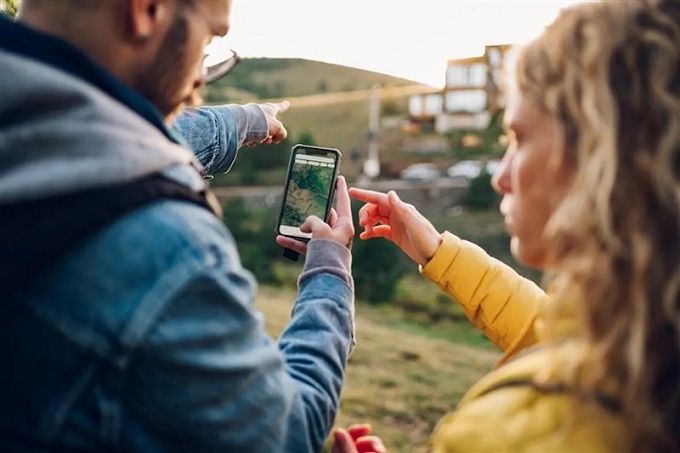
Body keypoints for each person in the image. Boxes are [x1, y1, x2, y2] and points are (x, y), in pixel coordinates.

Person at [0, 1, 357, 452]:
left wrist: (240, 121)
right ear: (146, 10)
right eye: (208, 41)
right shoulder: (169, 254)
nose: (201, 80)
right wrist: (329, 270)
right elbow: (287, 433)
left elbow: (101, 135)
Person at [327, 1, 680, 451]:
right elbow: (549, 330)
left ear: (600, 158)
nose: (501, 175)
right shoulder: (646, 336)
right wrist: (435, 251)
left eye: (521, 138)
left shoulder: (504, 434)